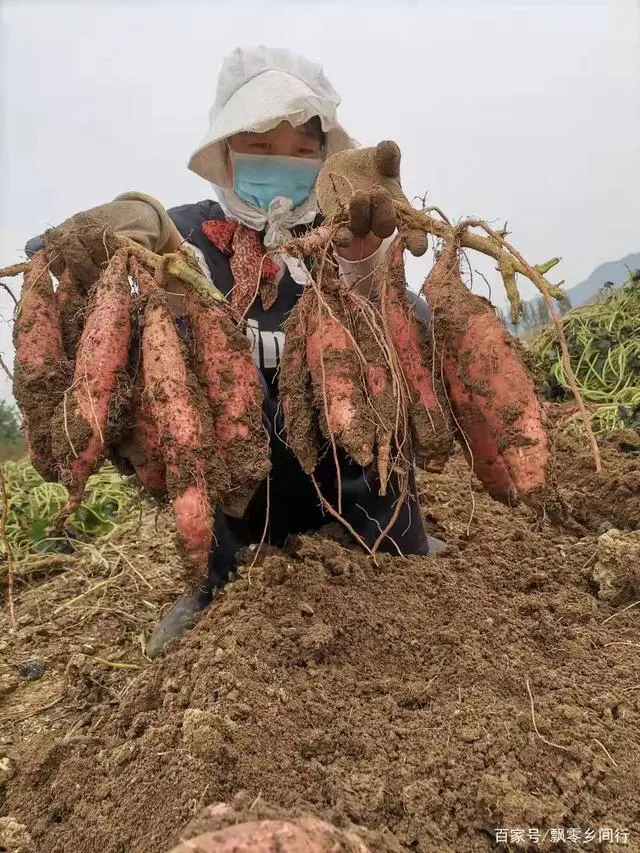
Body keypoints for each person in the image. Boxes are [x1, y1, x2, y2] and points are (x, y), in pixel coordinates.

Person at [27, 46, 445, 657]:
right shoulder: (188, 233)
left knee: (409, 330)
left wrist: (366, 254)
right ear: (226, 151)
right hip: (232, 467)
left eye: (304, 148)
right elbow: (153, 326)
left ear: (326, 157)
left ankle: (388, 531)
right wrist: (139, 254)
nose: (283, 161)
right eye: (261, 145)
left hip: (346, 453)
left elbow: (399, 338)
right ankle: (215, 575)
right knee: (151, 372)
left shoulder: (345, 229)